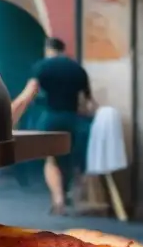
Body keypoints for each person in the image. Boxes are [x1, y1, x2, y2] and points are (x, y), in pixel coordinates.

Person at [11, 37, 94, 215]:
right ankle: (73, 194)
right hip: (74, 118)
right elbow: (87, 104)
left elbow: (28, 95)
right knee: (72, 158)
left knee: (51, 159)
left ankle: (58, 200)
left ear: (48, 49)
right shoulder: (78, 69)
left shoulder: (42, 66)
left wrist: (11, 114)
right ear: (63, 49)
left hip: (51, 118)